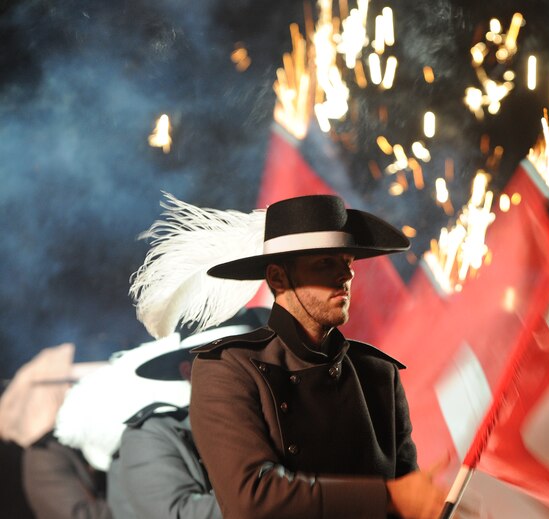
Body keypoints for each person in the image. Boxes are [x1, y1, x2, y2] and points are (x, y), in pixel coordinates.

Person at [187, 195, 448, 518]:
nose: (346, 276)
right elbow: (251, 499)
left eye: (347, 262)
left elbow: (412, 498)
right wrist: (388, 497)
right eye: (325, 263)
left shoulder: (378, 373)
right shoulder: (228, 368)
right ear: (278, 278)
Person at [107, 308, 268, 519]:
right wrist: (281, 496)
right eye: (225, 362)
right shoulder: (152, 435)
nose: (242, 371)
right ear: (187, 372)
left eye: (252, 359)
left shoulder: (277, 418)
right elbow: (179, 513)